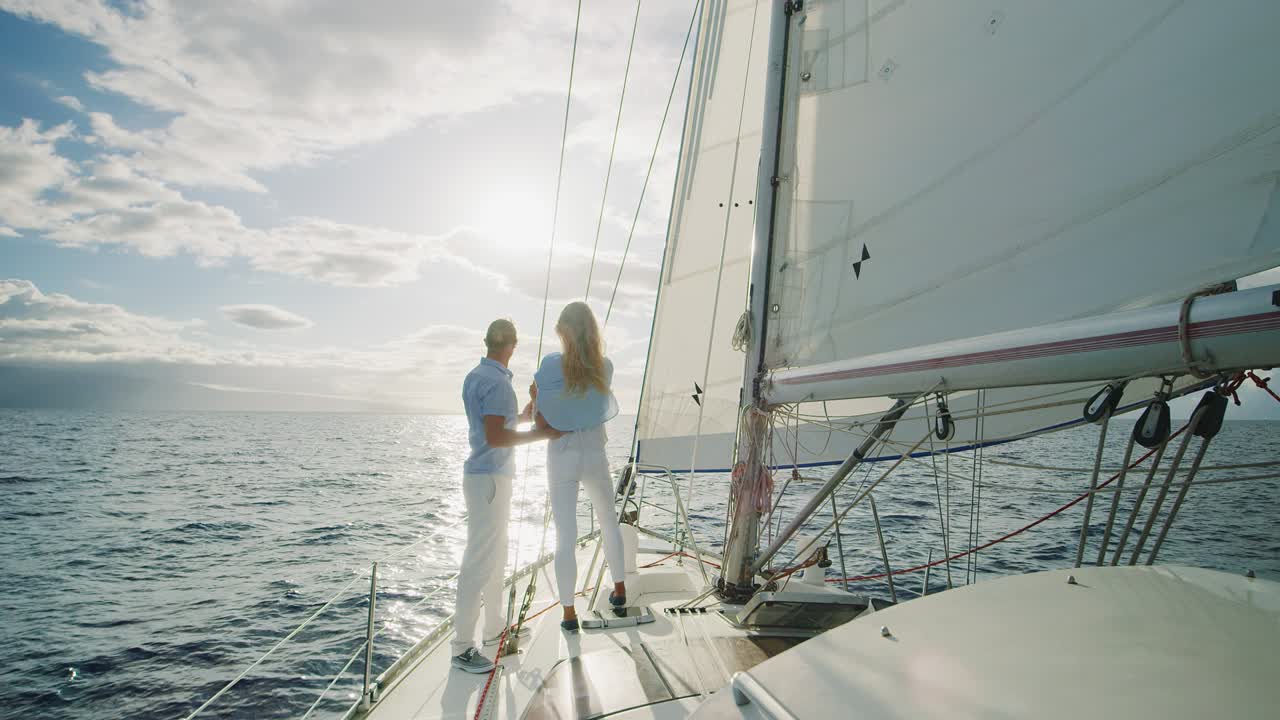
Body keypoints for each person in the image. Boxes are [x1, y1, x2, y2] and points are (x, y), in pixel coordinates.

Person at [450, 319, 562, 674]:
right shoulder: (498, 382)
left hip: (483, 478)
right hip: (491, 479)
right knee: (480, 560)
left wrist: (523, 416)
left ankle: (495, 629)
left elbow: (493, 427)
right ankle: (462, 646)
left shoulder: (475, 376)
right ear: (512, 345)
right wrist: (544, 433)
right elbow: (497, 439)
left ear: (488, 342)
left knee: (496, 557)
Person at [533, 302, 627, 632]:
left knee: (566, 536)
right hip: (595, 453)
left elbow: (541, 415)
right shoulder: (606, 367)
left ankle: (569, 613)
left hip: (562, 454)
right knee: (609, 523)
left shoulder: (549, 365)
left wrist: (536, 397)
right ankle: (619, 590)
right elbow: (592, 405)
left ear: (564, 332)